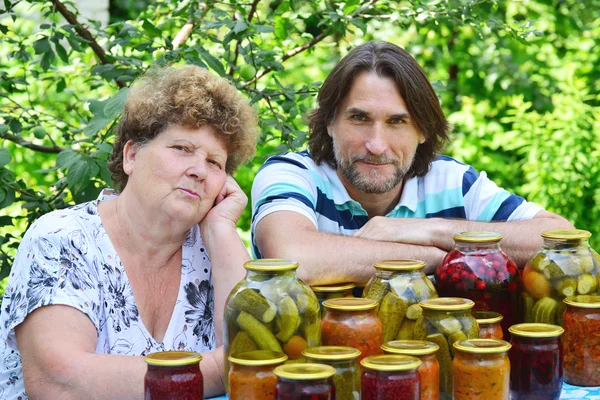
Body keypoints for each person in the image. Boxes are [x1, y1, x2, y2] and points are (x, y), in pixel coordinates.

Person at [0, 65, 258, 399]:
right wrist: (222, 368)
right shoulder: (62, 239)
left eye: (215, 163)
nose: (198, 170)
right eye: (182, 148)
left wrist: (222, 230)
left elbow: (260, 355)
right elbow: (59, 383)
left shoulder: (213, 249)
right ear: (132, 155)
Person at [251, 41, 573, 286]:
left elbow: (561, 238)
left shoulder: (452, 183)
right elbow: (293, 257)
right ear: (330, 123)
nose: (376, 145)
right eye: (359, 118)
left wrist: (427, 230)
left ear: (422, 130)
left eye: (397, 122)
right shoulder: (292, 175)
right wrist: (436, 258)